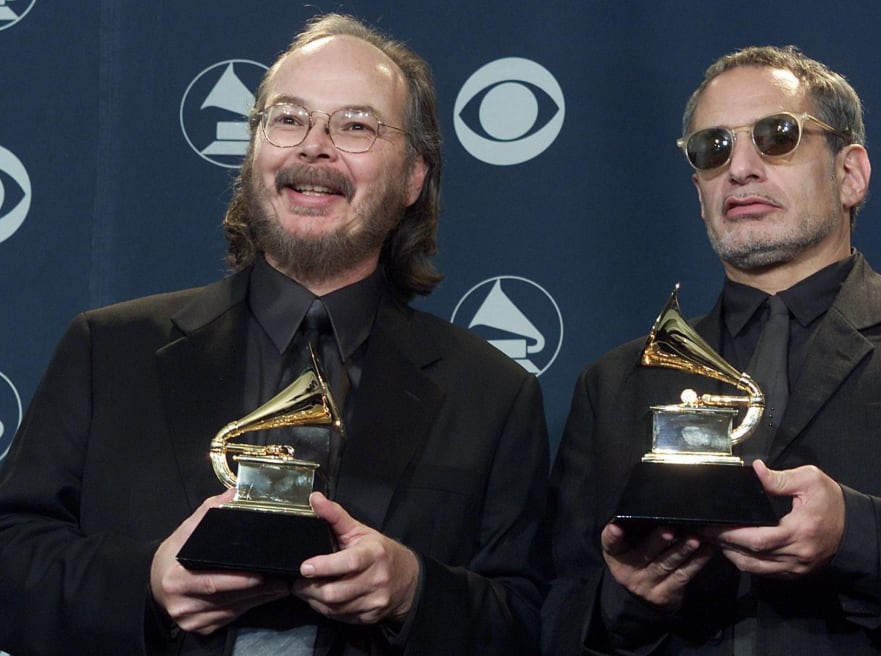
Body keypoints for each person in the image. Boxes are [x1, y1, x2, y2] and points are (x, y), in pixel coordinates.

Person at [0, 13, 548, 656]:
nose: (314, 146)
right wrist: (145, 581)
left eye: (355, 126)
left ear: (413, 177)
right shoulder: (106, 352)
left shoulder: (492, 394)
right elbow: (11, 561)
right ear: (255, 149)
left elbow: (532, 620)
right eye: (287, 118)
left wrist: (411, 591)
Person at [542, 45, 881, 655]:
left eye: (776, 136)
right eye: (713, 150)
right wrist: (626, 600)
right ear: (698, 189)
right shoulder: (614, 382)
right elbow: (554, 618)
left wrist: (858, 535)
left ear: (851, 174)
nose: (741, 169)